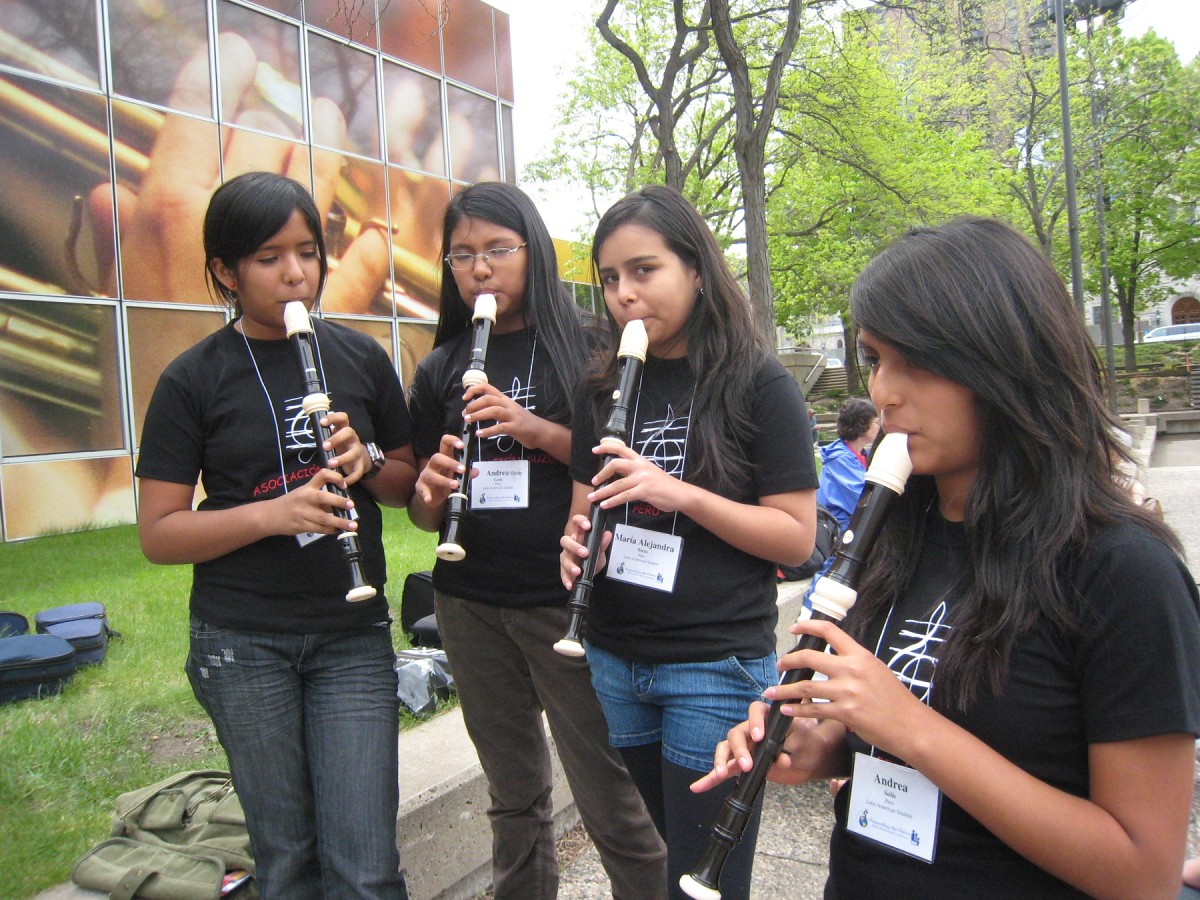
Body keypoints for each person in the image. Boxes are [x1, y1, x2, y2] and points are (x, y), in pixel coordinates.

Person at [694, 217, 1200, 899]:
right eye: (876, 359)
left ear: (1005, 364)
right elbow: (912, 726)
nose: (883, 393)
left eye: (919, 363)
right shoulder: (896, 534)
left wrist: (906, 723)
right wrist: (824, 744)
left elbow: (1144, 873)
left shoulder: (1123, 571)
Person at [135, 171, 418, 899]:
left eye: (308, 252)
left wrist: (371, 459)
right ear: (226, 272)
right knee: (287, 860)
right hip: (243, 641)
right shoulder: (193, 378)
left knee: (367, 867)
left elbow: (406, 483)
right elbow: (160, 534)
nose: (296, 273)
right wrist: (277, 513)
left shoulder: (358, 357)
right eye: (269, 258)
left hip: (350, 635)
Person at [405, 181, 667, 900]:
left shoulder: (586, 343)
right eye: (462, 256)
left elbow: (609, 456)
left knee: (606, 788)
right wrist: (428, 496)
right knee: (512, 794)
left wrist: (528, 427)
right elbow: (424, 515)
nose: (479, 269)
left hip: (563, 601)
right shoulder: (441, 365)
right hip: (469, 599)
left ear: (534, 252)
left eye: (497, 250)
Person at [559, 184, 818, 899]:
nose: (624, 295)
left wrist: (681, 494)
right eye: (610, 279)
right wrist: (576, 548)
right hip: (615, 657)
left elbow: (797, 539)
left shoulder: (757, 382)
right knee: (672, 857)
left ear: (697, 269)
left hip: (714, 664)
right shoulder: (602, 385)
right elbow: (583, 513)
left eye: (645, 271)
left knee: (704, 885)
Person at [816, 397, 880, 530]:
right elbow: (864, 500)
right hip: (840, 533)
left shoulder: (860, 455)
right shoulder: (839, 459)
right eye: (876, 422)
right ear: (862, 425)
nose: (880, 427)